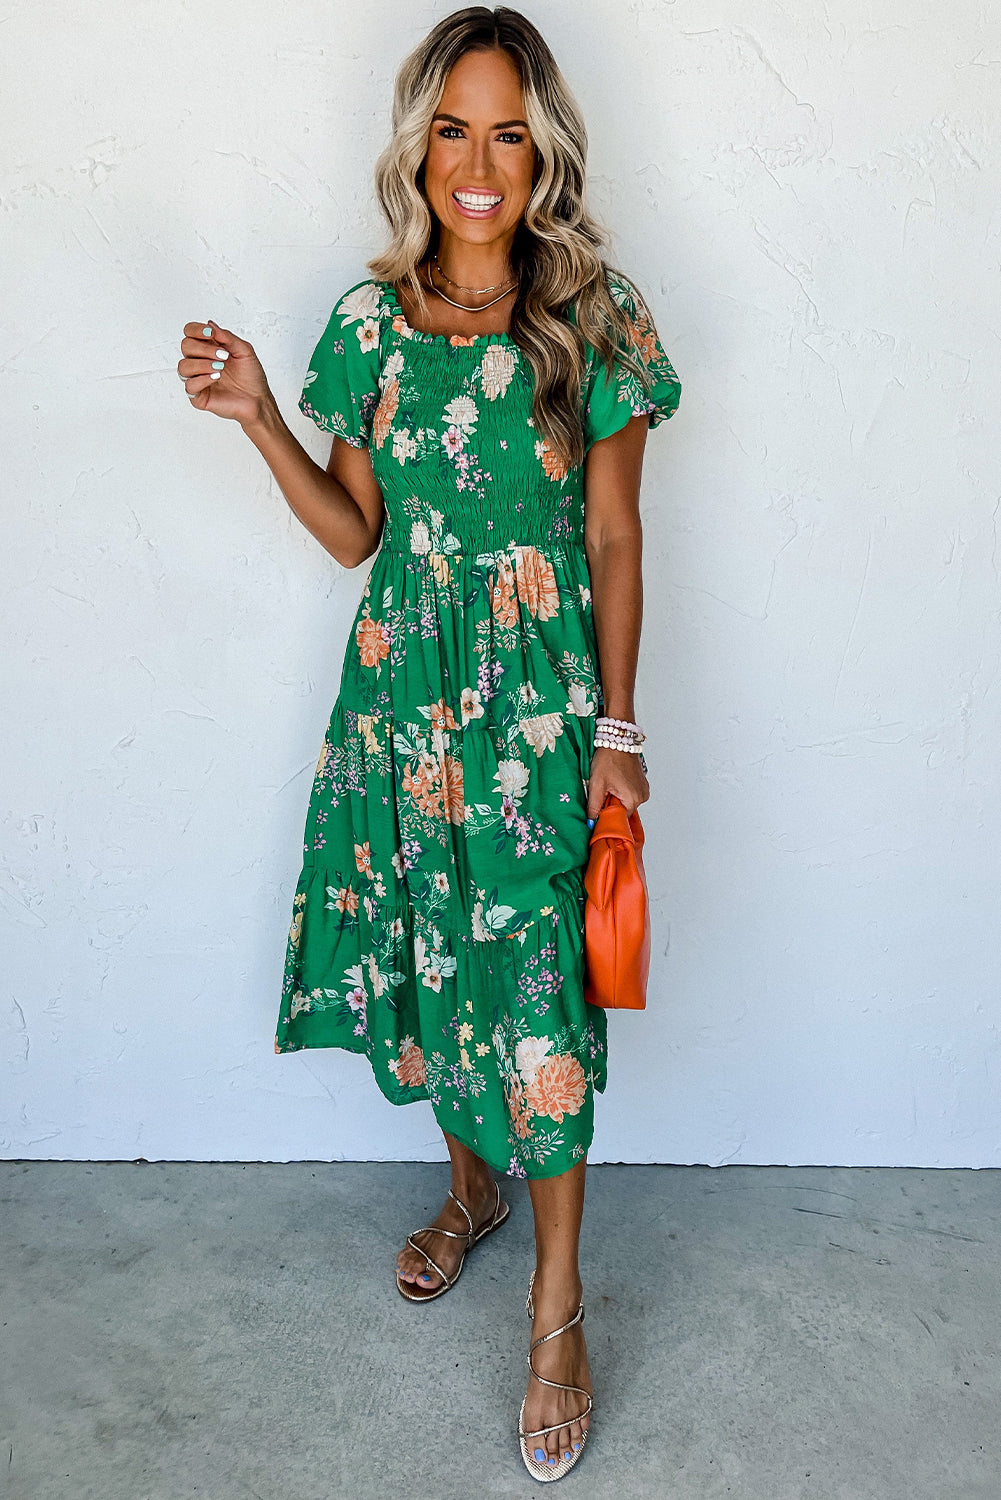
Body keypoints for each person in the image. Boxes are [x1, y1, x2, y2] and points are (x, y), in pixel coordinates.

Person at [177, 6, 680, 1480]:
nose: (478, 163)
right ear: (419, 145)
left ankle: (554, 1306)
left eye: (507, 131)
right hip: (399, 706)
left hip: (531, 714)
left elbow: (610, 532)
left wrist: (617, 727)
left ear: (544, 153)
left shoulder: (595, 315)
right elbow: (353, 539)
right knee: (432, 965)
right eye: (452, 129)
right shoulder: (365, 321)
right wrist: (264, 415)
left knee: (535, 996)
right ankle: (471, 1191)